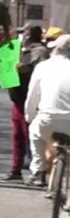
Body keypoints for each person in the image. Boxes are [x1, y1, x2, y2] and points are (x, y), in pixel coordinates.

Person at [0, 25, 49, 183]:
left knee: (32, 137)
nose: (23, 36)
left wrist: (22, 70)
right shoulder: (18, 50)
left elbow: (40, 75)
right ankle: (16, 169)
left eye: (26, 32)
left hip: (32, 100)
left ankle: (38, 172)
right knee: (18, 136)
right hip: (18, 99)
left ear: (32, 34)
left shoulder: (40, 52)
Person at [25, 34, 70, 186]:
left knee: (35, 133)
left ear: (56, 49)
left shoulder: (43, 67)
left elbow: (32, 96)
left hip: (47, 118)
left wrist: (29, 116)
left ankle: (39, 169)